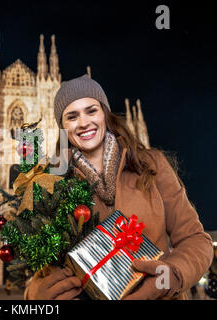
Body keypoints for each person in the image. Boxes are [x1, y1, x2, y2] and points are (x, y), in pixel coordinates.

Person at [24, 74, 214, 300]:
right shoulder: (55, 184)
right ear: (63, 127)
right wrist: (33, 295)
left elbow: (196, 240)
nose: (84, 122)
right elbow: (47, 263)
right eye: (72, 116)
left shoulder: (150, 165)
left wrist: (164, 280)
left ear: (105, 113)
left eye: (91, 110)